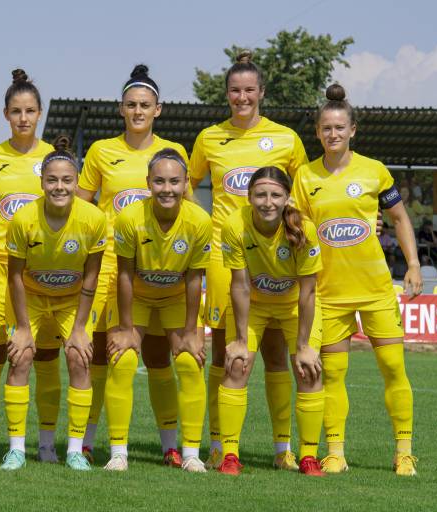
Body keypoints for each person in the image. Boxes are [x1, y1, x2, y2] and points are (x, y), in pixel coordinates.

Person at [291, 83, 422, 476]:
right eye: (326, 128)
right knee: (333, 374)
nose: (333, 134)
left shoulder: (374, 171)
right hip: (329, 293)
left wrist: (413, 264)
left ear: (352, 130)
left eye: (339, 127)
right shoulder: (304, 176)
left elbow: (399, 218)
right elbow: (296, 227)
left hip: (375, 290)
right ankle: (335, 452)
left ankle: (404, 452)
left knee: (393, 369)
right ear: (317, 132)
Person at [189, 51, 308, 470]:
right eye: (235, 91)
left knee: (275, 352)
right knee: (226, 353)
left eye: (249, 90)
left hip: (275, 257)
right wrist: (203, 224)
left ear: (262, 92)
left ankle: (282, 448)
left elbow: (306, 191)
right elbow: (187, 184)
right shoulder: (209, 138)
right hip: (226, 257)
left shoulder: (286, 138)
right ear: (226, 94)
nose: (242, 97)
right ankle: (219, 444)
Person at [76, 64, 187, 467]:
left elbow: (185, 209)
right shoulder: (101, 151)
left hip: (160, 270)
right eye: (131, 104)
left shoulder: (173, 153)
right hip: (110, 266)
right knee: (102, 357)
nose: (138, 111)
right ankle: (86, 443)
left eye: (145, 104)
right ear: (120, 108)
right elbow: (81, 208)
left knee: (158, 357)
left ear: (158, 109)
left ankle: (171, 446)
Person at [0, 137, 106, 471]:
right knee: (20, 358)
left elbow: (91, 277)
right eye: (52, 180)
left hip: (71, 300)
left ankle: (74, 450)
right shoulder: (23, 219)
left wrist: (80, 328)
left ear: (77, 182)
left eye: (67, 180)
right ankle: (16, 449)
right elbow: (14, 276)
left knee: (79, 358)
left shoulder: (93, 218)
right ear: (42, 182)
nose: (59, 186)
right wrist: (21, 328)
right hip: (29, 297)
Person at [0, 69, 61, 463]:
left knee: (45, 357)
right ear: (5, 114)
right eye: (16, 111)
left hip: (42, 274)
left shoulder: (52, 159)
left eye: (29, 111)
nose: (23, 118)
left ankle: (46, 444)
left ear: (40, 113)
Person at [104, 149, 211, 472]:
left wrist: (191, 332)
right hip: (136, 295)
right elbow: (124, 274)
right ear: (148, 182)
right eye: (160, 181)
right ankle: (118, 453)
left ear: (186, 183)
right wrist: (126, 329)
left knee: (190, 362)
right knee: (122, 359)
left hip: (175, 297)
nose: (167, 188)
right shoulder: (129, 218)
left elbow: (194, 278)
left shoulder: (199, 221)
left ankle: (189, 453)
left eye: (174, 182)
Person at [218, 166, 325, 477]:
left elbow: (308, 291)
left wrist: (304, 346)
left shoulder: (304, 229)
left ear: (287, 197)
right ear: (249, 196)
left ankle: (308, 456)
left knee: (308, 370)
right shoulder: (234, 224)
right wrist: (240, 340)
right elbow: (239, 285)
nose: (268, 202)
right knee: (237, 364)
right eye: (260, 195)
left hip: (294, 306)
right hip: (254, 304)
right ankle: (229, 455)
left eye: (275, 195)